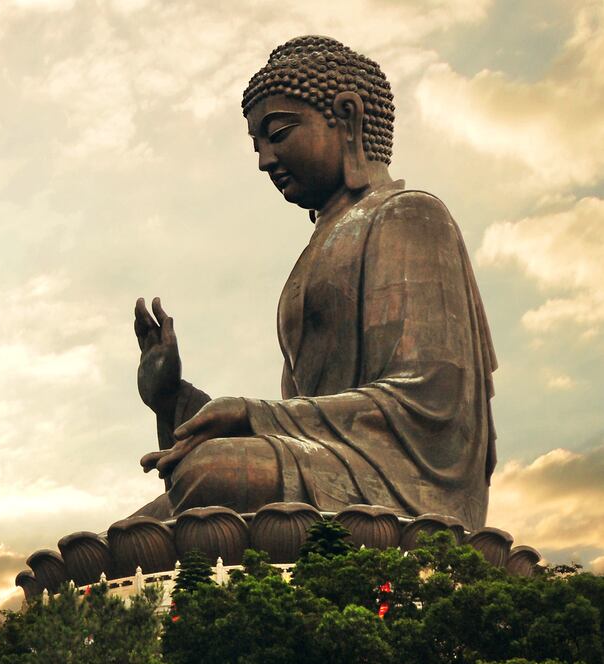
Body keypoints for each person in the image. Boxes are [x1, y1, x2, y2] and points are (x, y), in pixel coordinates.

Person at [133, 35, 496, 530]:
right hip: (326, 463)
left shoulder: (409, 215)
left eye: (278, 133)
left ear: (346, 116)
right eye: (257, 144)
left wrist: (252, 413)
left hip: (403, 481)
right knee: (139, 524)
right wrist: (172, 396)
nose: (264, 160)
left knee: (206, 477)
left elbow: (430, 402)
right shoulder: (311, 258)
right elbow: (297, 421)